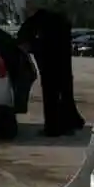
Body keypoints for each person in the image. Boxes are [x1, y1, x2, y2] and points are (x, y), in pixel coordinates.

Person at [17, 7, 84, 136]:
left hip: (50, 65)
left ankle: (54, 128)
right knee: (65, 95)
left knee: (51, 97)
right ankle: (67, 125)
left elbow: (25, 42)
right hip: (62, 65)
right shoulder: (57, 23)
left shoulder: (35, 26)